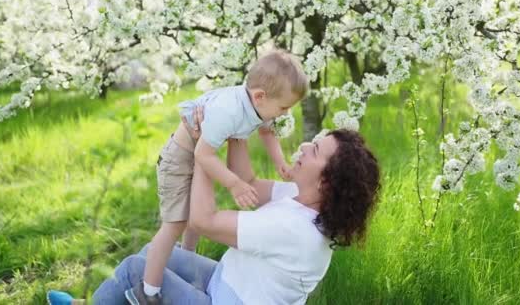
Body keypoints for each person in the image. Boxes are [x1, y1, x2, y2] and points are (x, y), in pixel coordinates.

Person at [48, 122, 381, 304]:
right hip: (224, 282)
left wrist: (203, 154)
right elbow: (247, 180)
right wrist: (237, 126)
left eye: (316, 149)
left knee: (138, 271)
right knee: (152, 255)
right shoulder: (296, 197)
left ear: (326, 181)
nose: (306, 145)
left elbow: (203, 221)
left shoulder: (296, 231)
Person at [128, 50, 309, 304]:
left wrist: (281, 163)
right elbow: (203, 154)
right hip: (180, 158)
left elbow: (268, 134)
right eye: (284, 107)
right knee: (175, 223)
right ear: (260, 97)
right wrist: (233, 184)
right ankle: (148, 291)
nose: (285, 113)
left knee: (193, 218)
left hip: (202, 152)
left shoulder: (258, 107)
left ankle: (185, 259)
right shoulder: (231, 110)